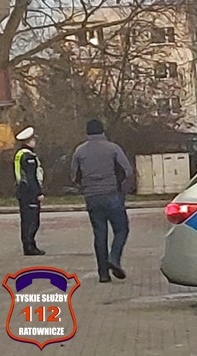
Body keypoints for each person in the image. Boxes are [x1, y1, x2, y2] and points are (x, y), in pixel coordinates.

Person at [71, 119, 133, 283]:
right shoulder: (113, 148)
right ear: (103, 131)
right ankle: (114, 258)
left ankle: (103, 274)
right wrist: (121, 188)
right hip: (112, 194)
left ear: (87, 132)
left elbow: (74, 176)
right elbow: (127, 170)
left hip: (92, 197)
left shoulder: (80, 151)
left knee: (99, 234)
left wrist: (85, 187)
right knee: (121, 229)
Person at [14, 127, 45, 256]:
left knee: (26, 220)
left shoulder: (19, 154)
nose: (34, 142)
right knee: (32, 220)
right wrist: (38, 193)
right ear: (28, 141)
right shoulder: (28, 157)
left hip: (22, 190)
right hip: (29, 192)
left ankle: (28, 245)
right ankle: (30, 246)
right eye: (33, 140)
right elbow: (31, 177)